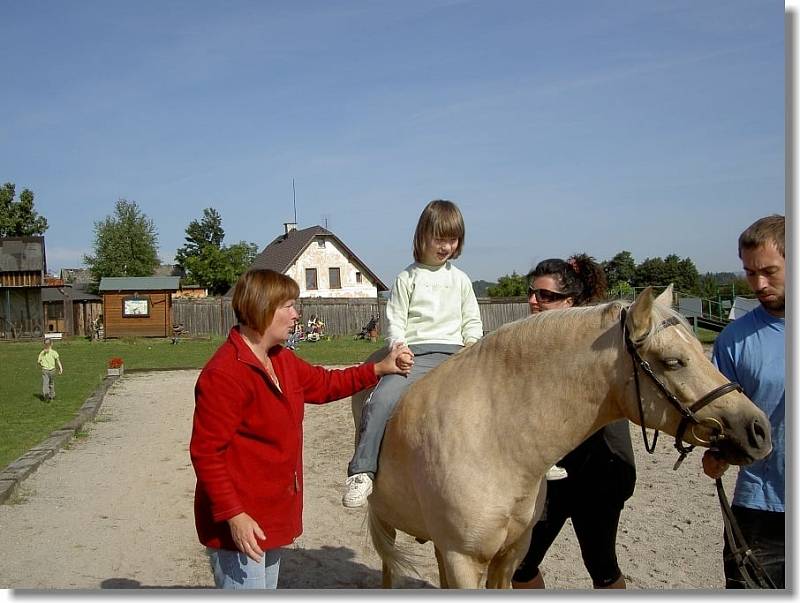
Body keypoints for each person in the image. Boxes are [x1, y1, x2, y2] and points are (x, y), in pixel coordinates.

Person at [190, 268, 410, 589]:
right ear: (263, 308)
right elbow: (207, 454)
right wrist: (234, 516)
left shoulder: (280, 359)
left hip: (270, 515)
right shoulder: (224, 374)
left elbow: (324, 384)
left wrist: (377, 368)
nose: (296, 315)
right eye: (289, 306)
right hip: (239, 523)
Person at [342, 199, 484, 508]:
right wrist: (399, 348)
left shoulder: (460, 280)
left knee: (501, 392)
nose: (446, 246)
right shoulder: (407, 279)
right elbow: (396, 320)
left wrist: (473, 345)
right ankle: (362, 470)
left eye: (453, 238)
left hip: (457, 353)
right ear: (423, 236)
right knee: (379, 399)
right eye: (439, 238)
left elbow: (471, 318)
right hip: (416, 354)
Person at [512, 254, 636, 590]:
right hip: (552, 474)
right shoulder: (532, 344)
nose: (534, 301)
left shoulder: (595, 345)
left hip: (600, 471)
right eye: (532, 293)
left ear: (570, 302)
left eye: (546, 296)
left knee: (602, 565)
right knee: (520, 565)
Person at [701, 214, 785, 589]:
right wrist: (716, 451)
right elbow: (716, 417)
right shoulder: (734, 339)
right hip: (760, 507)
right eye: (750, 273)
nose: (759, 284)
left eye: (769, 271)